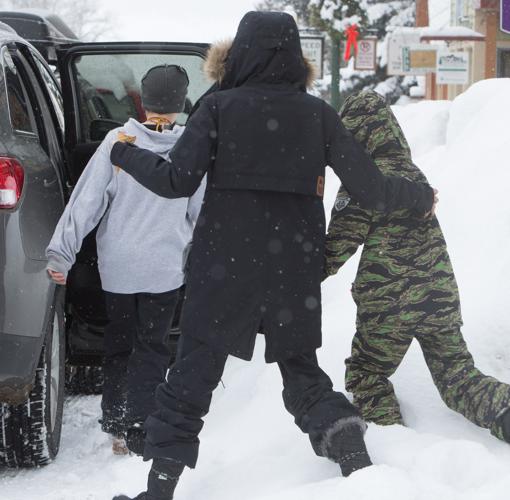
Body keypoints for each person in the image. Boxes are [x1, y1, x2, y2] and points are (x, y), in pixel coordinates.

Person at [110, 12, 436, 500]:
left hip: (224, 266)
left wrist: (123, 152)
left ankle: (158, 492)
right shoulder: (319, 114)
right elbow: (371, 189)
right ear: (295, 59)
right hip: (293, 266)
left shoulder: (218, 107)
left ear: (238, 53)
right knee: (300, 367)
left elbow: (174, 182)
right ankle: (353, 455)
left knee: (192, 378)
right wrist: (419, 195)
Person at [324, 90, 510, 441]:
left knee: (367, 373)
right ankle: (504, 411)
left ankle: (394, 444)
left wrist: (289, 277)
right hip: (439, 296)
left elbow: (337, 248)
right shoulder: (413, 172)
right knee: (458, 377)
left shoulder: (363, 179)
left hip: (389, 300)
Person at [46, 64, 205, 455]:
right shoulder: (191, 147)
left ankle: (117, 424)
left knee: (119, 343)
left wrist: (61, 254)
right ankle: (141, 425)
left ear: (144, 101)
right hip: (165, 268)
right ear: (181, 104)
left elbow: (87, 201)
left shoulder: (118, 141)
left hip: (118, 268)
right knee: (153, 345)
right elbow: (202, 213)